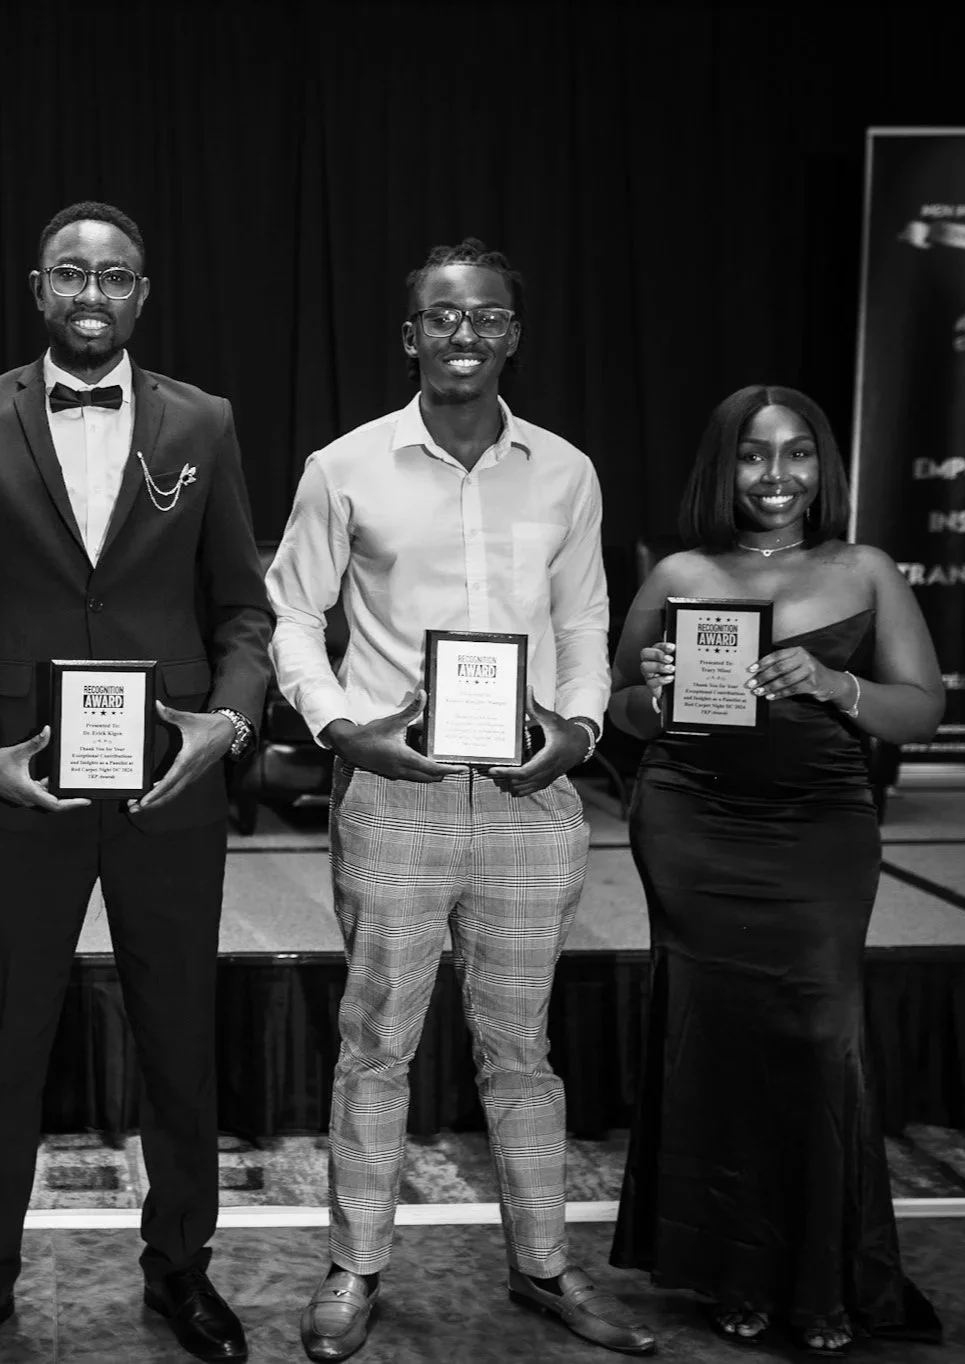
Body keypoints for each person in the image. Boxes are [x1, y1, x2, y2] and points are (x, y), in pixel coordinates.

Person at [266, 239, 654, 1360]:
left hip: (533, 796)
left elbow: (585, 617)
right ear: (409, 334)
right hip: (399, 791)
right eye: (442, 315)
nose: (464, 333)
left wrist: (579, 726)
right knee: (375, 1040)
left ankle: (544, 1266)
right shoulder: (345, 466)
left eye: (485, 315)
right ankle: (353, 1268)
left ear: (513, 333)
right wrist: (342, 727)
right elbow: (291, 610)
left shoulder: (565, 471)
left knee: (520, 1049)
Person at [0, 201, 271, 1364]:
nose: (90, 295)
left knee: (180, 1037)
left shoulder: (202, 422)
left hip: (171, 786)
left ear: (142, 293)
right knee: (8, 1035)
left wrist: (228, 720)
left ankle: (181, 1269)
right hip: (29, 786)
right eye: (70, 274)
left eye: (113, 277)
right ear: (36, 287)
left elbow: (243, 609)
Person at [606, 385, 945, 1358]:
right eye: (754, 456)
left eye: (797, 454)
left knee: (816, 1032)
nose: (776, 476)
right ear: (725, 466)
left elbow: (918, 709)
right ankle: (732, 1267)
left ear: (822, 467)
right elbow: (622, 712)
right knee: (712, 1036)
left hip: (818, 830)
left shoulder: (865, 569)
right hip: (689, 822)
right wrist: (653, 692)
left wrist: (837, 683)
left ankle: (822, 1269)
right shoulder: (677, 570)